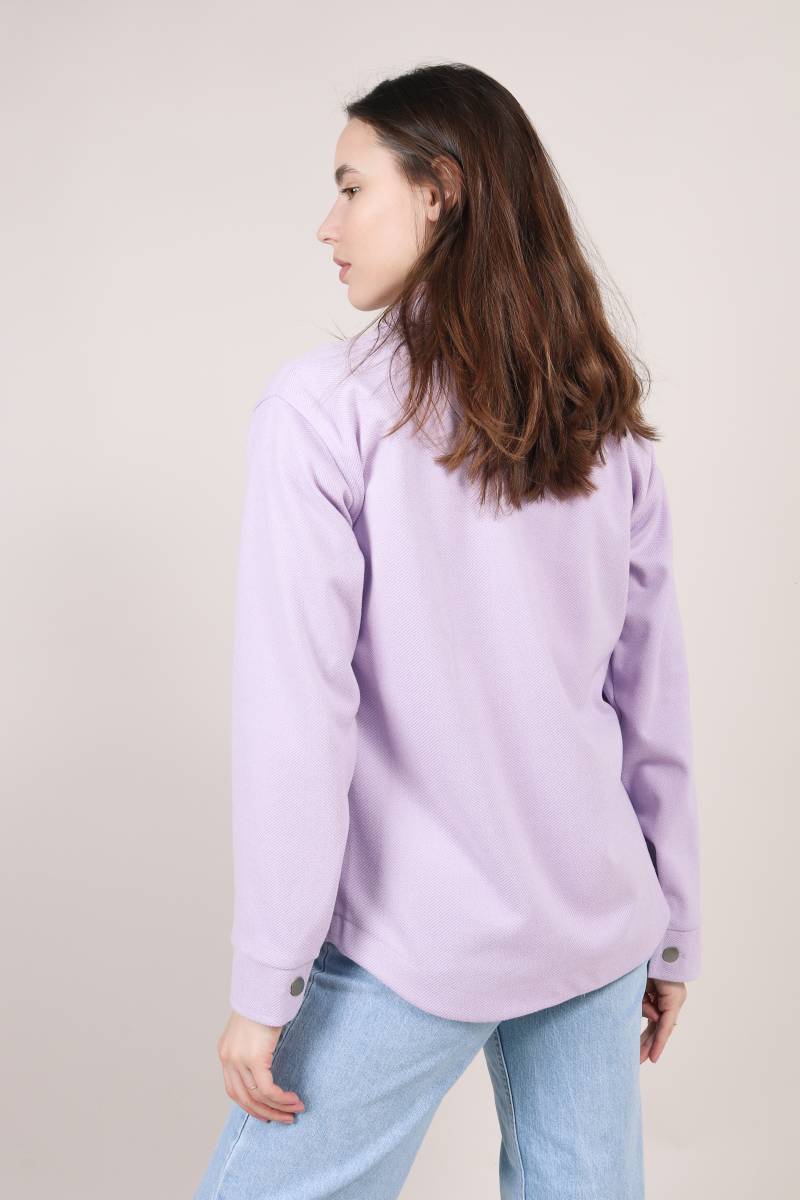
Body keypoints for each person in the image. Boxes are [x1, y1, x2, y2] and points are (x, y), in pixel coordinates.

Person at [193, 61, 702, 1200]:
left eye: (350, 187)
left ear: (439, 192)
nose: (326, 225)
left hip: (414, 941)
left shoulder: (323, 413)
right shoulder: (603, 422)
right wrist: (671, 929)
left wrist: (265, 984)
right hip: (597, 923)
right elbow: (651, 699)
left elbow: (298, 721)